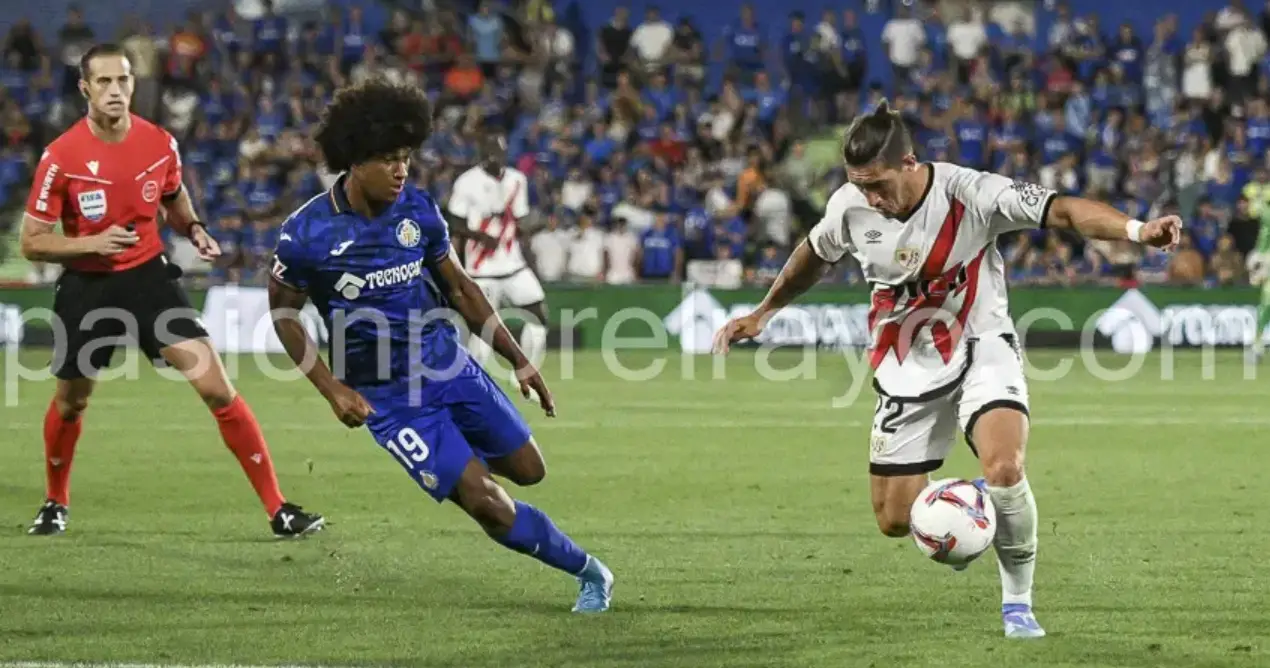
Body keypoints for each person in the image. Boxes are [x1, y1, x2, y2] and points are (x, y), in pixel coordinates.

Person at [713, 101, 1181, 638]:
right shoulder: (850, 207)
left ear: (909, 162)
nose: (871, 198)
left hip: (983, 344)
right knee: (894, 520)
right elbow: (815, 253)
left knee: (1005, 466)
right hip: (906, 361)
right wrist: (763, 312)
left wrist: (1139, 231)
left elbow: (1065, 211)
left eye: (878, 184)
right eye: (860, 186)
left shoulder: (972, 194)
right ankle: (969, 505)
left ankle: (1017, 605)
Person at [267, 78, 614, 612]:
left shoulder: (418, 211)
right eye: (388, 159)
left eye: (406, 157)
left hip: (447, 363)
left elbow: (460, 288)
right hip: (389, 397)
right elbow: (284, 314)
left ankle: (457, 459)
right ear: (354, 161)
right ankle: (589, 572)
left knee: (529, 470)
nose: (401, 170)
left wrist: (518, 361)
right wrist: (331, 388)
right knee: (489, 505)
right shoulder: (306, 234)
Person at [18, 43, 324, 537]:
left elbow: (173, 196)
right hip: (87, 286)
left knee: (216, 387)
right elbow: (31, 243)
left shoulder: (159, 142)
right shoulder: (62, 157)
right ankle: (55, 501)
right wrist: (92, 241)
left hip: (148, 281)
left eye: (123, 80)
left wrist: (194, 227)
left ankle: (279, 508)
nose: (115, 90)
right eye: (104, 82)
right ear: (85, 89)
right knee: (73, 402)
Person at [444, 134, 549, 375]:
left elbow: (518, 222)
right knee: (483, 335)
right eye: (491, 153)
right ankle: (472, 384)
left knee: (538, 316)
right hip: (481, 270)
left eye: (500, 153)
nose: (496, 158)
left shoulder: (517, 180)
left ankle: (524, 373)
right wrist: (479, 237)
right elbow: (453, 224)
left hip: (513, 265)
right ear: (482, 155)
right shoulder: (466, 182)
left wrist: (536, 226)